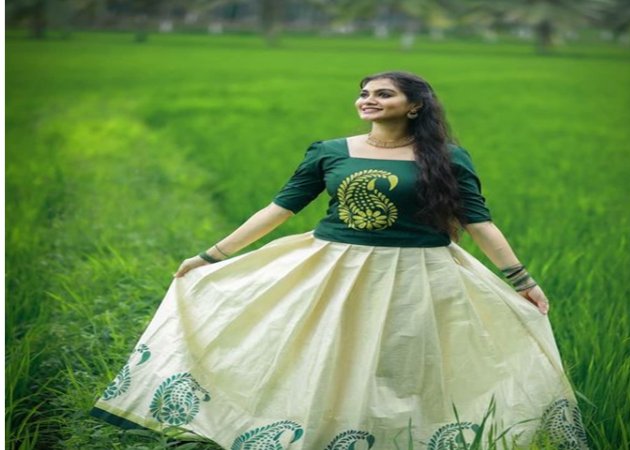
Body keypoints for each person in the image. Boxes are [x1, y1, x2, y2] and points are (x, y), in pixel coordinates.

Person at [91, 71, 588, 449]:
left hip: (420, 273)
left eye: (383, 93)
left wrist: (521, 280)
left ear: (415, 106)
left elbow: (480, 223)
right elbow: (278, 209)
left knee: (402, 365)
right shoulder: (331, 151)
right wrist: (210, 256)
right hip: (332, 268)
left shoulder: (449, 159)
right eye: (365, 93)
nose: (368, 100)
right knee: (321, 355)